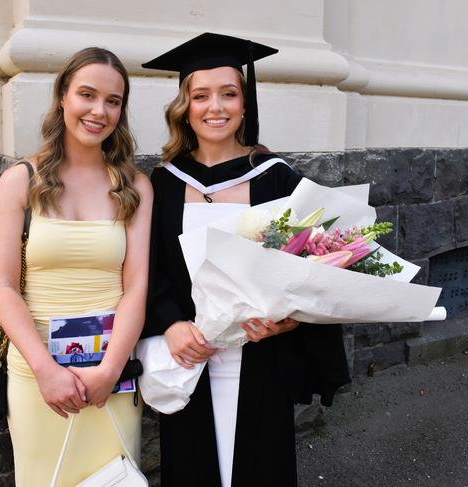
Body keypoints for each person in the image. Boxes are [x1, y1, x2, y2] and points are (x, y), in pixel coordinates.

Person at [141, 33, 350, 487]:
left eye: (229, 94)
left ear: (245, 103)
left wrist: (291, 319)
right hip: (190, 356)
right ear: (185, 106)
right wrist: (171, 324)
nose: (215, 107)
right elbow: (147, 270)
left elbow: (314, 268)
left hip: (260, 357)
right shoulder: (163, 184)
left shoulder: (277, 179)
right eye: (201, 96)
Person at [0, 47, 152, 486]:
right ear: (62, 97)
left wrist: (109, 370)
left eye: (113, 101)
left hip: (110, 374)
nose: (99, 111)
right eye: (87, 94)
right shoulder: (20, 180)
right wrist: (46, 370)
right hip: (37, 375)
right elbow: (3, 286)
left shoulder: (135, 187)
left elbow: (136, 286)